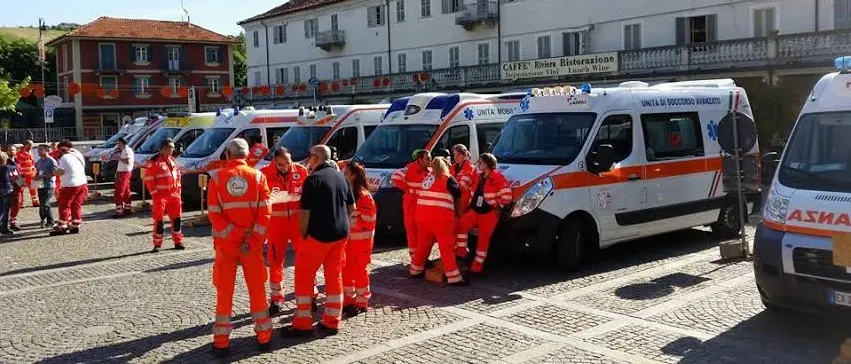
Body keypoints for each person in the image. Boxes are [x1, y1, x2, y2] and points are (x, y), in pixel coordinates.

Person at [206, 138, 273, 357]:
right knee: (257, 289)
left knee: (224, 291)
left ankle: (222, 341)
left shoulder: (216, 179)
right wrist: (251, 240)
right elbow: (265, 213)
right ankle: (264, 337)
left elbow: (215, 215)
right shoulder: (258, 176)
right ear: (246, 155)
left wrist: (234, 237)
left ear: (228, 154)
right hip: (251, 247)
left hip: (226, 246)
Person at [281, 145, 355, 338]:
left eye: (310, 158)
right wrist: (342, 222)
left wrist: (304, 236)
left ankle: (303, 324)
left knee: (304, 278)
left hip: (317, 236)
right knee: (334, 277)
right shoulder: (342, 177)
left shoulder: (312, 180)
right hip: (340, 235)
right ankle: (332, 321)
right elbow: (351, 206)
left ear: (315, 158)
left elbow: (304, 214)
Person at [260, 147, 312, 316]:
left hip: (298, 222)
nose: (285, 168)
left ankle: (310, 296)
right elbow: (259, 199)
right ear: (275, 162)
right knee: (275, 261)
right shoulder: (264, 173)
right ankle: (276, 299)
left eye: (287, 164)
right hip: (276, 224)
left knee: (305, 259)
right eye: (281, 165)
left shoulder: (301, 171)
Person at [409, 157, 468, 286]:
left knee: (422, 245)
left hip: (422, 218)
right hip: (441, 219)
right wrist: (459, 213)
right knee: (447, 247)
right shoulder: (448, 179)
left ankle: (415, 270)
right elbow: (458, 195)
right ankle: (454, 277)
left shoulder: (427, 179)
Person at [457, 153, 512, 273]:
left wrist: (497, 205)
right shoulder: (477, 176)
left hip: (489, 213)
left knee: (483, 239)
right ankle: (461, 254)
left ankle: (477, 266)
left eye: (480, 162)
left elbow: (507, 196)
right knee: (461, 225)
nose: (478, 164)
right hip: (475, 210)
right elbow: (467, 182)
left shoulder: (498, 177)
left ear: (487, 164)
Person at [342, 160, 377, 315]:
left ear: (354, 176)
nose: (343, 176)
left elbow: (369, 221)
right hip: (348, 241)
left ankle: (362, 302)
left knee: (360, 272)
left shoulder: (364, 196)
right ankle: (348, 301)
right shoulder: (348, 193)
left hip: (361, 242)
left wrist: (351, 220)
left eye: (346, 173)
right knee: (346, 270)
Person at [143, 139, 184, 252]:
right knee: (159, 220)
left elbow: (178, 177)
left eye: (172, 148)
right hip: (160, 196)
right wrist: (155, 195)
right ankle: (157, 244)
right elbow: (149, 180)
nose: (172, 150)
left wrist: (179, 191)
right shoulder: (154, 162)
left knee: (177, 219)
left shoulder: (173, 160)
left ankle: (178, 241)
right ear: (163, 149)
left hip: (174, 195)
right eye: (170, 148)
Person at [391, 149, 431, 262]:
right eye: (427, 158)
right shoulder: (410, 168)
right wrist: (408, 189)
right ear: (420, 159)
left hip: (423, 204)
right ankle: (415, 258)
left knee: (423, 231)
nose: (430, 160)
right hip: (412, 204)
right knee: (412, 231)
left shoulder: (429, 170)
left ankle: (422, 256)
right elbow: (395, 177)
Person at [51, 140, 88, 236]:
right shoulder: (77, 153)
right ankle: (75, 224)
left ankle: (62, 225)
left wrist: (54, 172)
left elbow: (61, 171)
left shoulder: (65, 157)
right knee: (76, 204)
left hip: (70, 184)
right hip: (82, 182)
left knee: (64, 205)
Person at [450, 144, 477, 258]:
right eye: (454, 155)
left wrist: (449, 185)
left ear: (464, 155)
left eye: (458, 155)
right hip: (454, 200)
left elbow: (462, 186)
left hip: (463, 202)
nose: (456, 157)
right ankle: (456, 250)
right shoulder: (454, 167)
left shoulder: (470, 168)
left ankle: (461, 252)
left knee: (462, 228)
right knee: (455, 227)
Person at [34, 145, 57, 228]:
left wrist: (44, 176)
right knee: (42, 204)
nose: (38, 151)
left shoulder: (51, 161)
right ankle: (43, 219)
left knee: (46, 203)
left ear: (46, 150)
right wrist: (35, 176)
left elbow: (55, 172)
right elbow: (36, 171)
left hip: (49, 185)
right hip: (40, 185)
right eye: (38, 149)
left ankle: (51, 221)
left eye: (40, 150)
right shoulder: (39, 161)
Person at [112, 137, 134, 218]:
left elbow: (127, 161)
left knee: (119, 191)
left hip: (124, 172)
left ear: (121, 143)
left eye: (118, 143)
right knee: (126, 191)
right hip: (125, 172)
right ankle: (128, 208)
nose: (117, 144)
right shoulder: (127, 150)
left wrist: (118, 158)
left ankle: (119, 211)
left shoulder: (126, 150)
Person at [15, 140, 39, 208]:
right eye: (30, 145)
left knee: (33, 189)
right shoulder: (19, 154)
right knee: (20, 190)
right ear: (25, 145)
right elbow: (17, 165)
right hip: (22, 175)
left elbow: (32, 163)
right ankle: (20, 203)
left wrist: (35, 171)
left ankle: (35, 202)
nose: (31, 146)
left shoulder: (30, 152)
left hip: (32, 174)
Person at [0, 152, 17, 235]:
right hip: (6, 190)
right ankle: (4, 228)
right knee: (5, 211)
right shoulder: (6, 168)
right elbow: (14, 166)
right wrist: (10, 159)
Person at [7, 145, 21, 231]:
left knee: (16, 204)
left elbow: (18, 172)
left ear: (16, 151)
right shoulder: (4, 161)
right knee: (5, 205)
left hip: (17, 186)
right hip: (7, 186)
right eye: (10, 150)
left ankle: (13, 221)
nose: (11, 152)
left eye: (13, 150)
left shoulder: (17, 161)